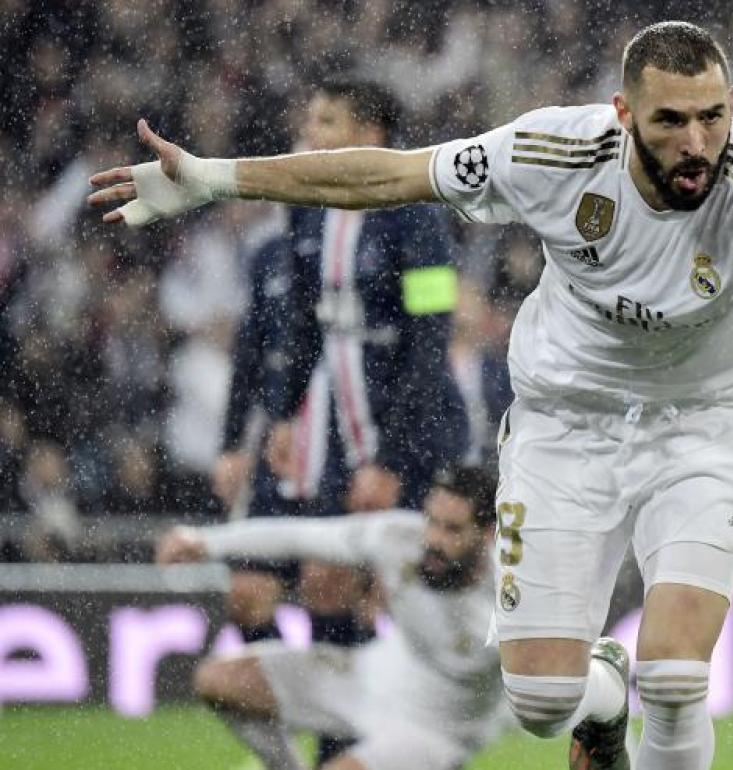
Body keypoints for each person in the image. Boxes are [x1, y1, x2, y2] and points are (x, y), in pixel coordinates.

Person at [89, 21, 733, 770]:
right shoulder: (552, 150)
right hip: (561, 429)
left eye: (715, 117)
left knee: (681, 674)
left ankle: (642, 698)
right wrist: (220, 177)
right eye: (673, 121)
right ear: (626, 113)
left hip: (706, 431)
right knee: (541, 701)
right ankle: (601, 699)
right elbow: (386, 177)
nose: (698, 142)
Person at [262, 75, 470, 764]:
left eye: (326, 122)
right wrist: (286, 412)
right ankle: (341, 743)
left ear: (370, 135)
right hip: (331, 422)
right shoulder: (305, 207)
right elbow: (298, 317)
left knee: (392, 592)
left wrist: (393, 457)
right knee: (323, 581)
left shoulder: (418, 213)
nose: (310, 134)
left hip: (409, 430)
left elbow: (431, 336)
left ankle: (417, 737)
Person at [155, 465, 501, 770]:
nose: (434, 540)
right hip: (369, 677)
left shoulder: (513, 599)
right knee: (218, 679)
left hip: (435, 732)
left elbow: (545, 686)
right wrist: (206, 543)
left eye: (453, 529)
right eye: (432, 522)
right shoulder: (397, 539)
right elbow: (300, 536)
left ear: (487, 534)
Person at [212, 232, 300, 648]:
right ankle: (291, 704)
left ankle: (344, 706)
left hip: (345, 446)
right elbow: (249, 352)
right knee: (246, 597)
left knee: (333, 587)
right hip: (276, 447)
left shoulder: (385, 232)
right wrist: (231, 446)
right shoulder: (270, 254)